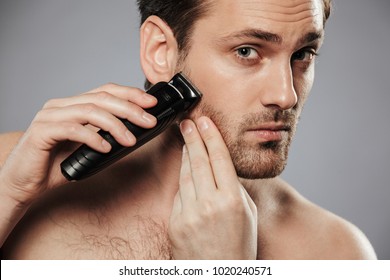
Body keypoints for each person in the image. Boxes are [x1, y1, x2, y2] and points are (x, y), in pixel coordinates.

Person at [0, 0, 377, 259]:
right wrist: (9, 196)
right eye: (247, 51)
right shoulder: (11, 174)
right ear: (160, 51)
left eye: (303, 55)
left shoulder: (337, 252)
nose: (286, 95)